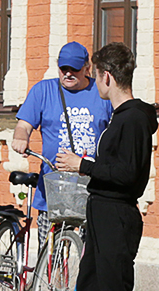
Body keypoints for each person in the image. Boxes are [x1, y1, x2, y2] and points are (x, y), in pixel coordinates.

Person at [36, 42, 158, 291]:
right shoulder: (122, 118)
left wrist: (82, 164)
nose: (96, 86)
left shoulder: (133, 119)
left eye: (98, 78)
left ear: (107, 76)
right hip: (100, 215)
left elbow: (128, 176)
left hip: (117, 218)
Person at [13, 43, 112, 203]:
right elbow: (23, 125)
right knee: (49, 228)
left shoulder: (101, 92)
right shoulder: (43, 90)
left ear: (87, 68)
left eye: (74, 69)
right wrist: (21, 138)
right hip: (53, 189)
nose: (68, 74)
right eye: (63, 68)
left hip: (92, 189)